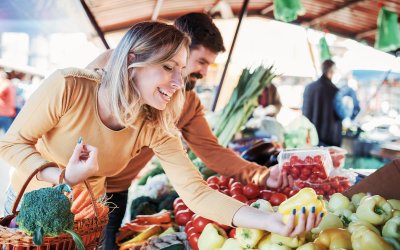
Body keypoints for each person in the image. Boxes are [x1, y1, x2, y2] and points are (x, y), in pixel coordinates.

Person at [0, 21, 320, 246]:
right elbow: (11, 144)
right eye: (168, 67)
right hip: (28, 206)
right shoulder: (68, 86)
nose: (179, 82)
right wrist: (63, 175)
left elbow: (196, 193)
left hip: (88, 218)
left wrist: (268, 221)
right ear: (132, 60)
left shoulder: (155, 124)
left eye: (181, 70)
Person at [87, 13, 292, 249]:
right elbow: (74, 116)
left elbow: (211, 151)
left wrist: (262, 175)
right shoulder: (114, 63)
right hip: (73, 184)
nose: (204, 73)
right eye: (202, 62)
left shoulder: (187, 103)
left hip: (114, 192)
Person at [302, 59, 342, 146]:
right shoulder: (335, 90)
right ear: (331, 71)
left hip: (310, 137)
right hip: (329, 139)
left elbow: (304, 113)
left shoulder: (308, 88)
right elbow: (341, 114)